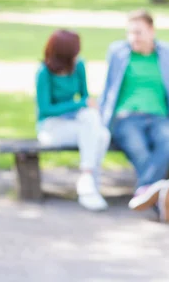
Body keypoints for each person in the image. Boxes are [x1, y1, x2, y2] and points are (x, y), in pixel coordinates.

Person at [100, 10, 169, 223]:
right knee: (137, 146)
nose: (134, 38)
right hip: (127, 117)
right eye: (130, 33)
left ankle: (145, 192)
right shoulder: (119, 52)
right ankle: (158, 195)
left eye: (139, 32)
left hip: (159, 116)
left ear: (152, 31)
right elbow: (108, 89)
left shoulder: (167, 53)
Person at [35, 30, 111, 212]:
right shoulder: (44, 73)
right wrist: (79, 104)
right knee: (99, 135)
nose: (78, 54)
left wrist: (88, 105)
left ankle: (87, 178)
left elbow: (85, 95)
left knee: (100, 130)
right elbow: (46, 109)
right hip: (51, 127)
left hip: (75, 122)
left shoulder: (79, 66)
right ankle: (91, 185)